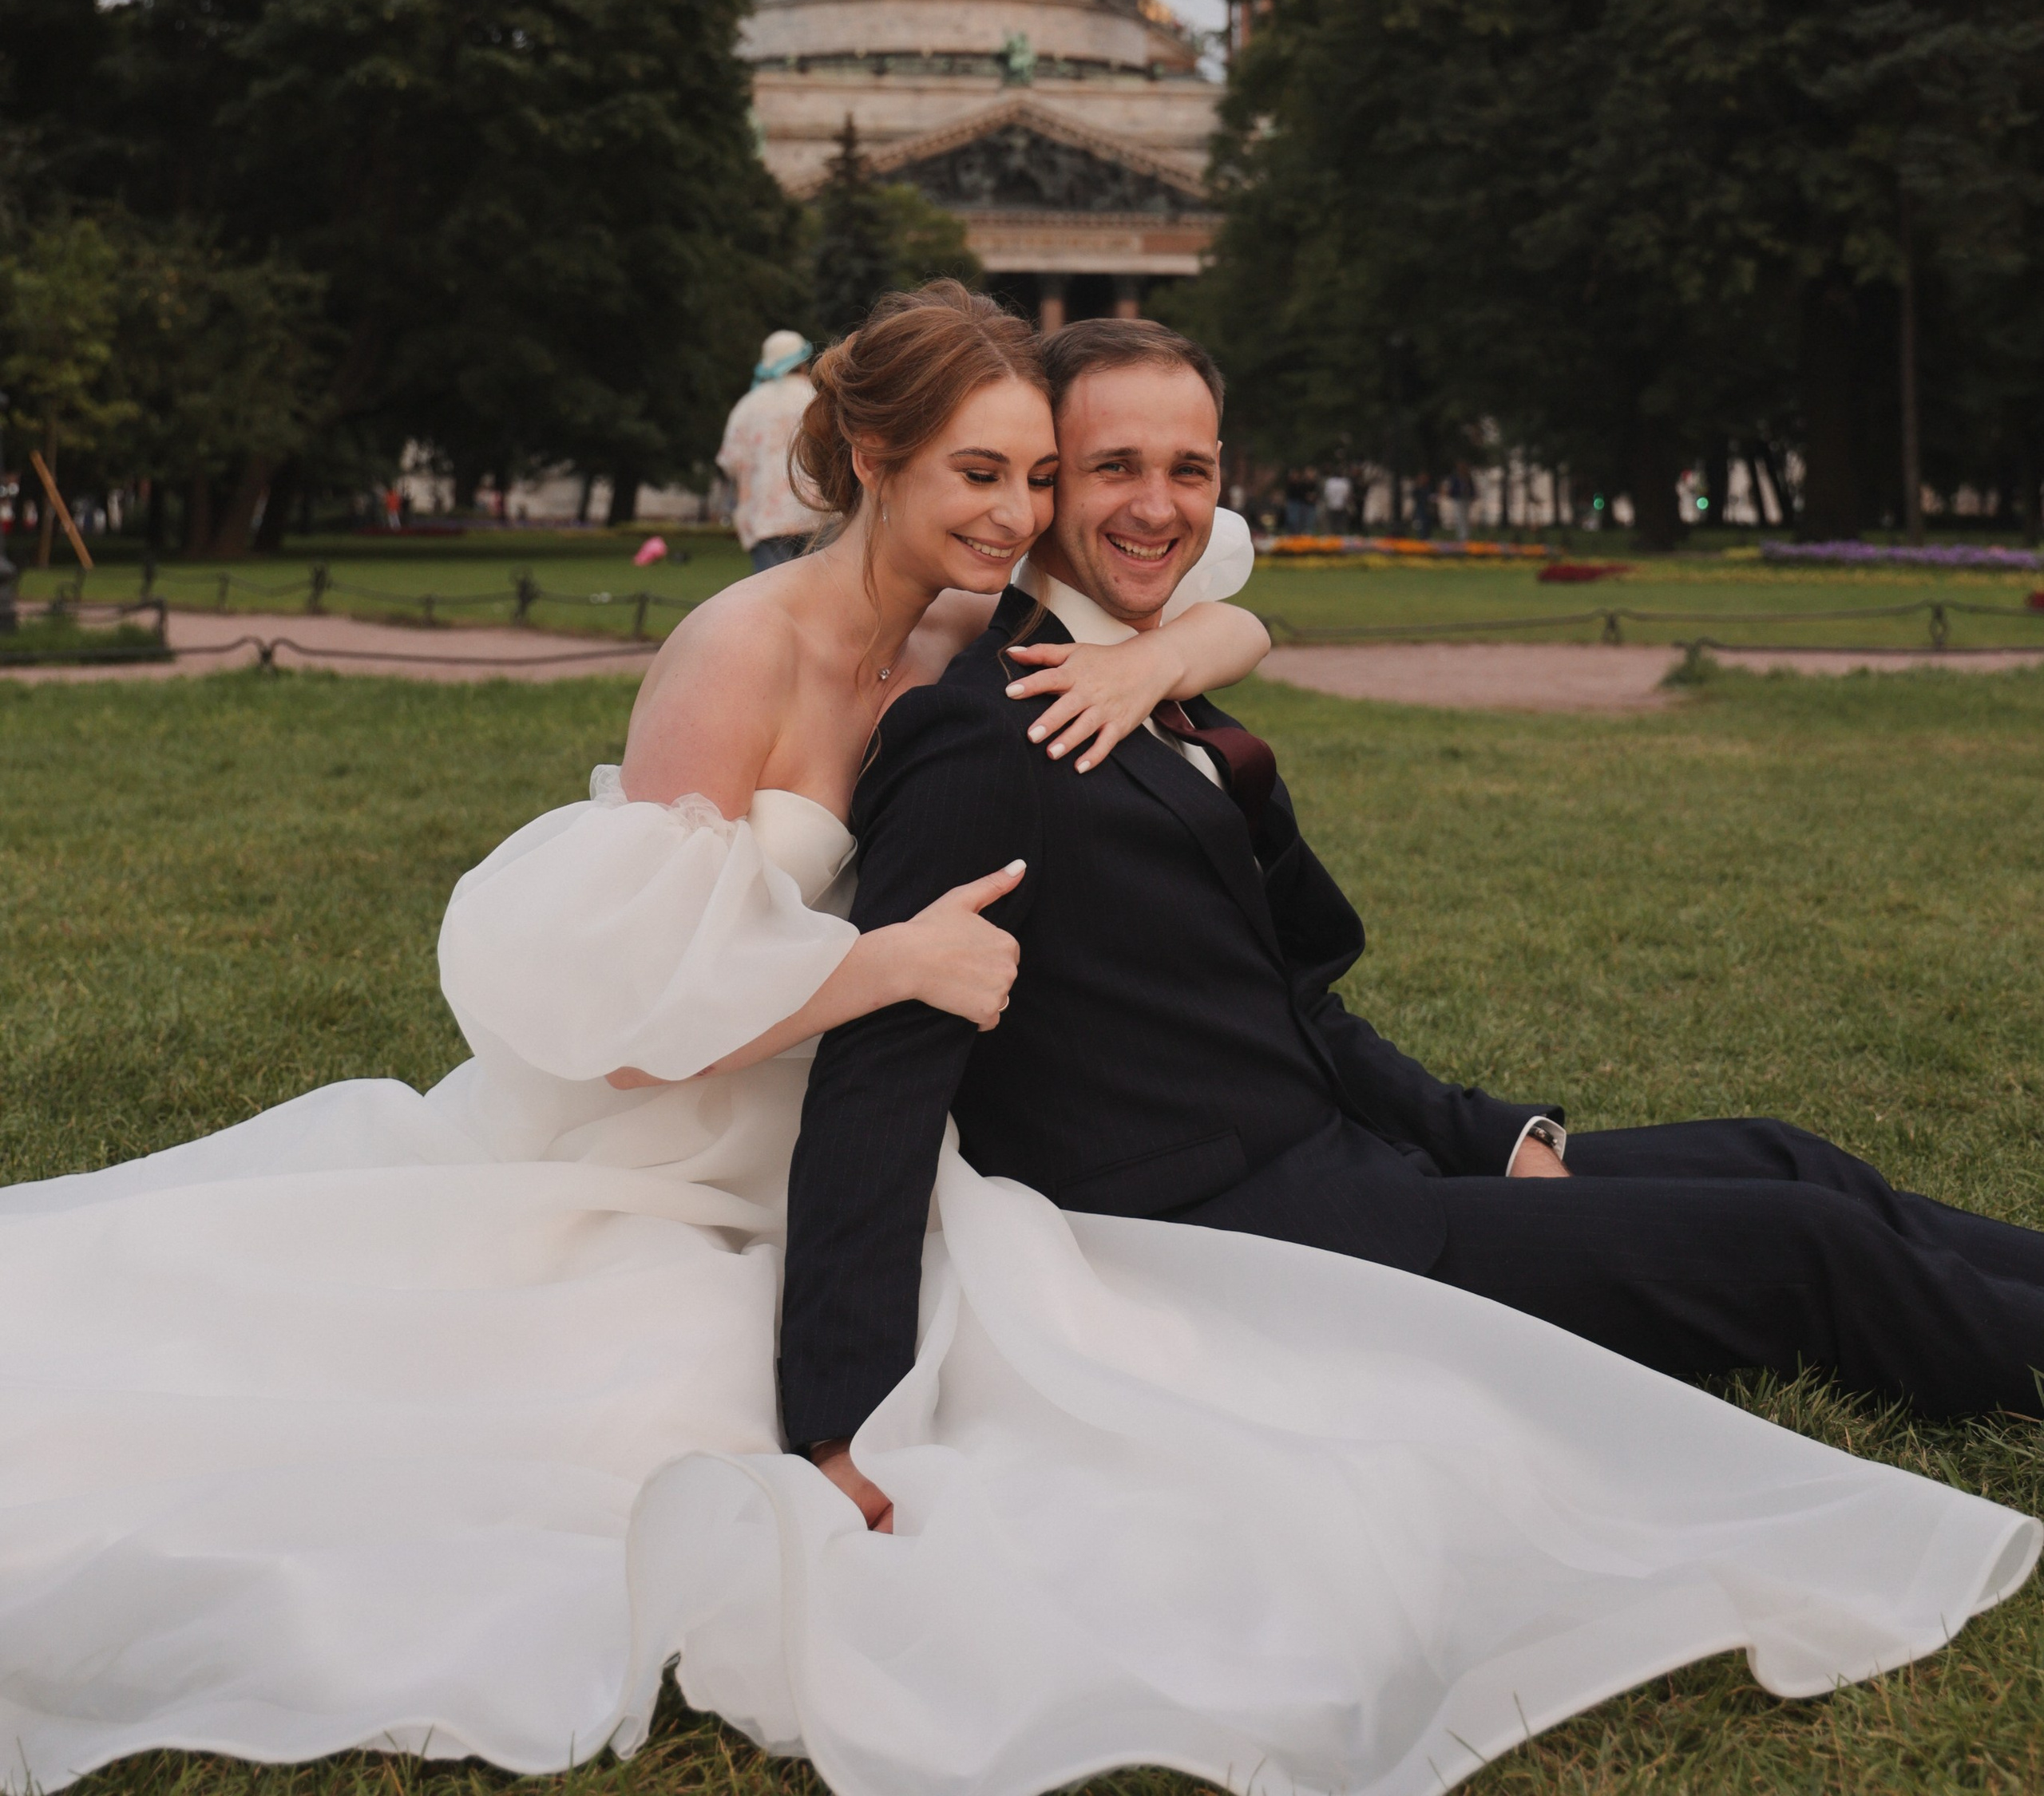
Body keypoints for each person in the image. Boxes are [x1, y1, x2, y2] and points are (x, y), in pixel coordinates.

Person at [0, 293, 2032, 1796]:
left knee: (1779, 1155)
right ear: (874, 464)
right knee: (1796, 1253)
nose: (1070, 505)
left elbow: (1259, 885)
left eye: (1079, 475)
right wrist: (830, 1403)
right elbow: (707, 1013)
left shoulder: (1038, 646)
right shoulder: (878, 703)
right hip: (1144, 1200)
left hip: (1346, 1149)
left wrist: (1482, 1120)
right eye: (1023, 468)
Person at [782, 315, 2044, 1521]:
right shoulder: (985, 731)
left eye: (1190, 468)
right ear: (1047, 486)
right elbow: (881, 1072)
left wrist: (1495, 1142)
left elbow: (1289, 1002)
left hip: (1359, 1175)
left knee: (1790, 1158)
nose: (1158, 507)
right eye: (1113, 467)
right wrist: (845, 1424)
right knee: (1805, 1248)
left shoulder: (1146, 680)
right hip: (1260, 1260)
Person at [715, 327, 818, 570]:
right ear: (804, 362)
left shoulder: (748, 405)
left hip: (767, 519)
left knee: (776, 597)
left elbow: (730, 462)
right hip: (818, 515)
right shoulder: (816, 398)